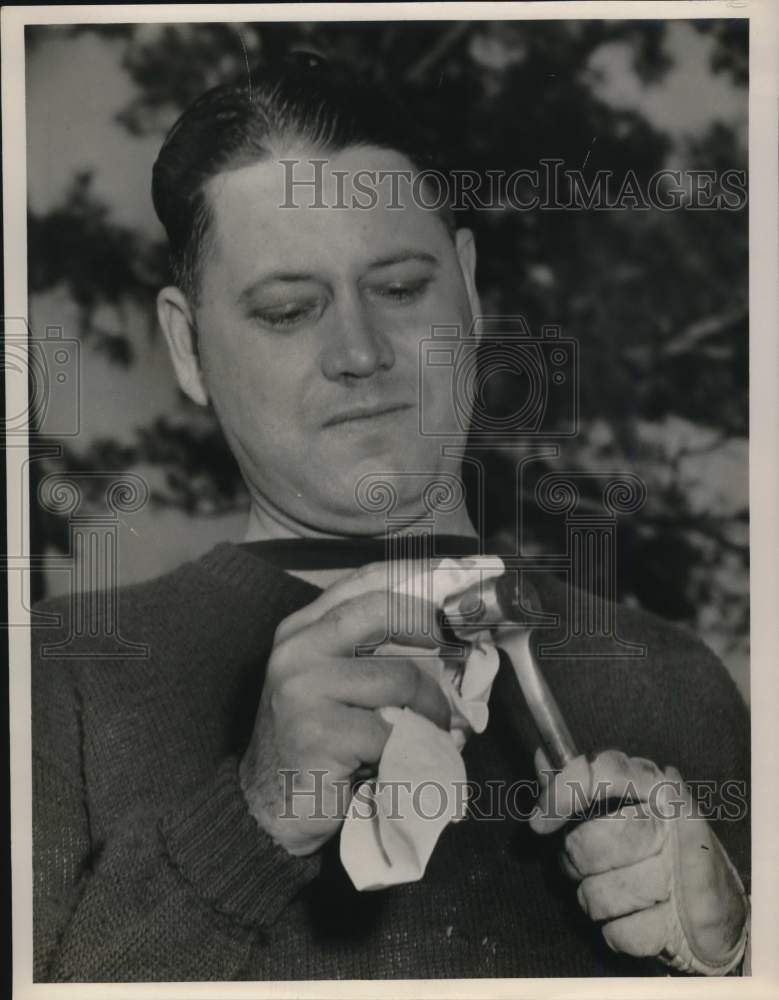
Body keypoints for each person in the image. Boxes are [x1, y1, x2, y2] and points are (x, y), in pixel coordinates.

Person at [31, 54, 750, 982]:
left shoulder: (672, 679)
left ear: (469, 291)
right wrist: (250, 823)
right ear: (187, 345)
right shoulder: (61, 678)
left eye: (402, 289)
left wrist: (736, 953)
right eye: (288, 310)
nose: (359, 351)